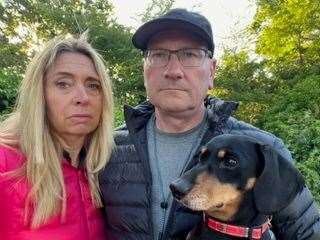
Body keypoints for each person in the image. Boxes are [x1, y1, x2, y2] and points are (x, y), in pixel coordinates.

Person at [99, 8, 320, 240]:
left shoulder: (265, 149)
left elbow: (309, 234)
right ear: (144, 69)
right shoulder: (105, 149)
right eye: (158, 55)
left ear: (212, 71)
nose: (173, 71)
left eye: (190, 55)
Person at [0, 33, 114, 240]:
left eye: (93, 86)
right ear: (39, 94)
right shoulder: (5, 164)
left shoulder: (104, 167)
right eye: (63, 84)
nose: (82, 98)